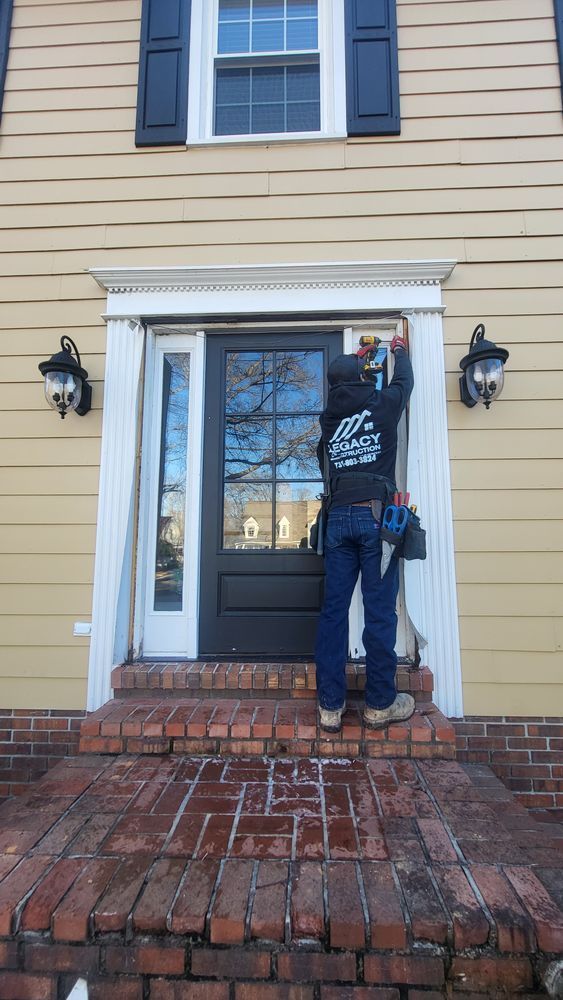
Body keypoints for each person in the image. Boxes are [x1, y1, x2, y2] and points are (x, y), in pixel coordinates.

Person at [315, 334, 415, 733]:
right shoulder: (383, 405)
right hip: (377, 519)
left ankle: (330, 707)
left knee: (333, 613)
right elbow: (403, 382)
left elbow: (348, 382)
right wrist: (398, 351)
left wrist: (359, 359)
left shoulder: (328, 418)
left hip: (338, 518)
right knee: (378, 612)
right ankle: (378, 704)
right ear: (364, 378)